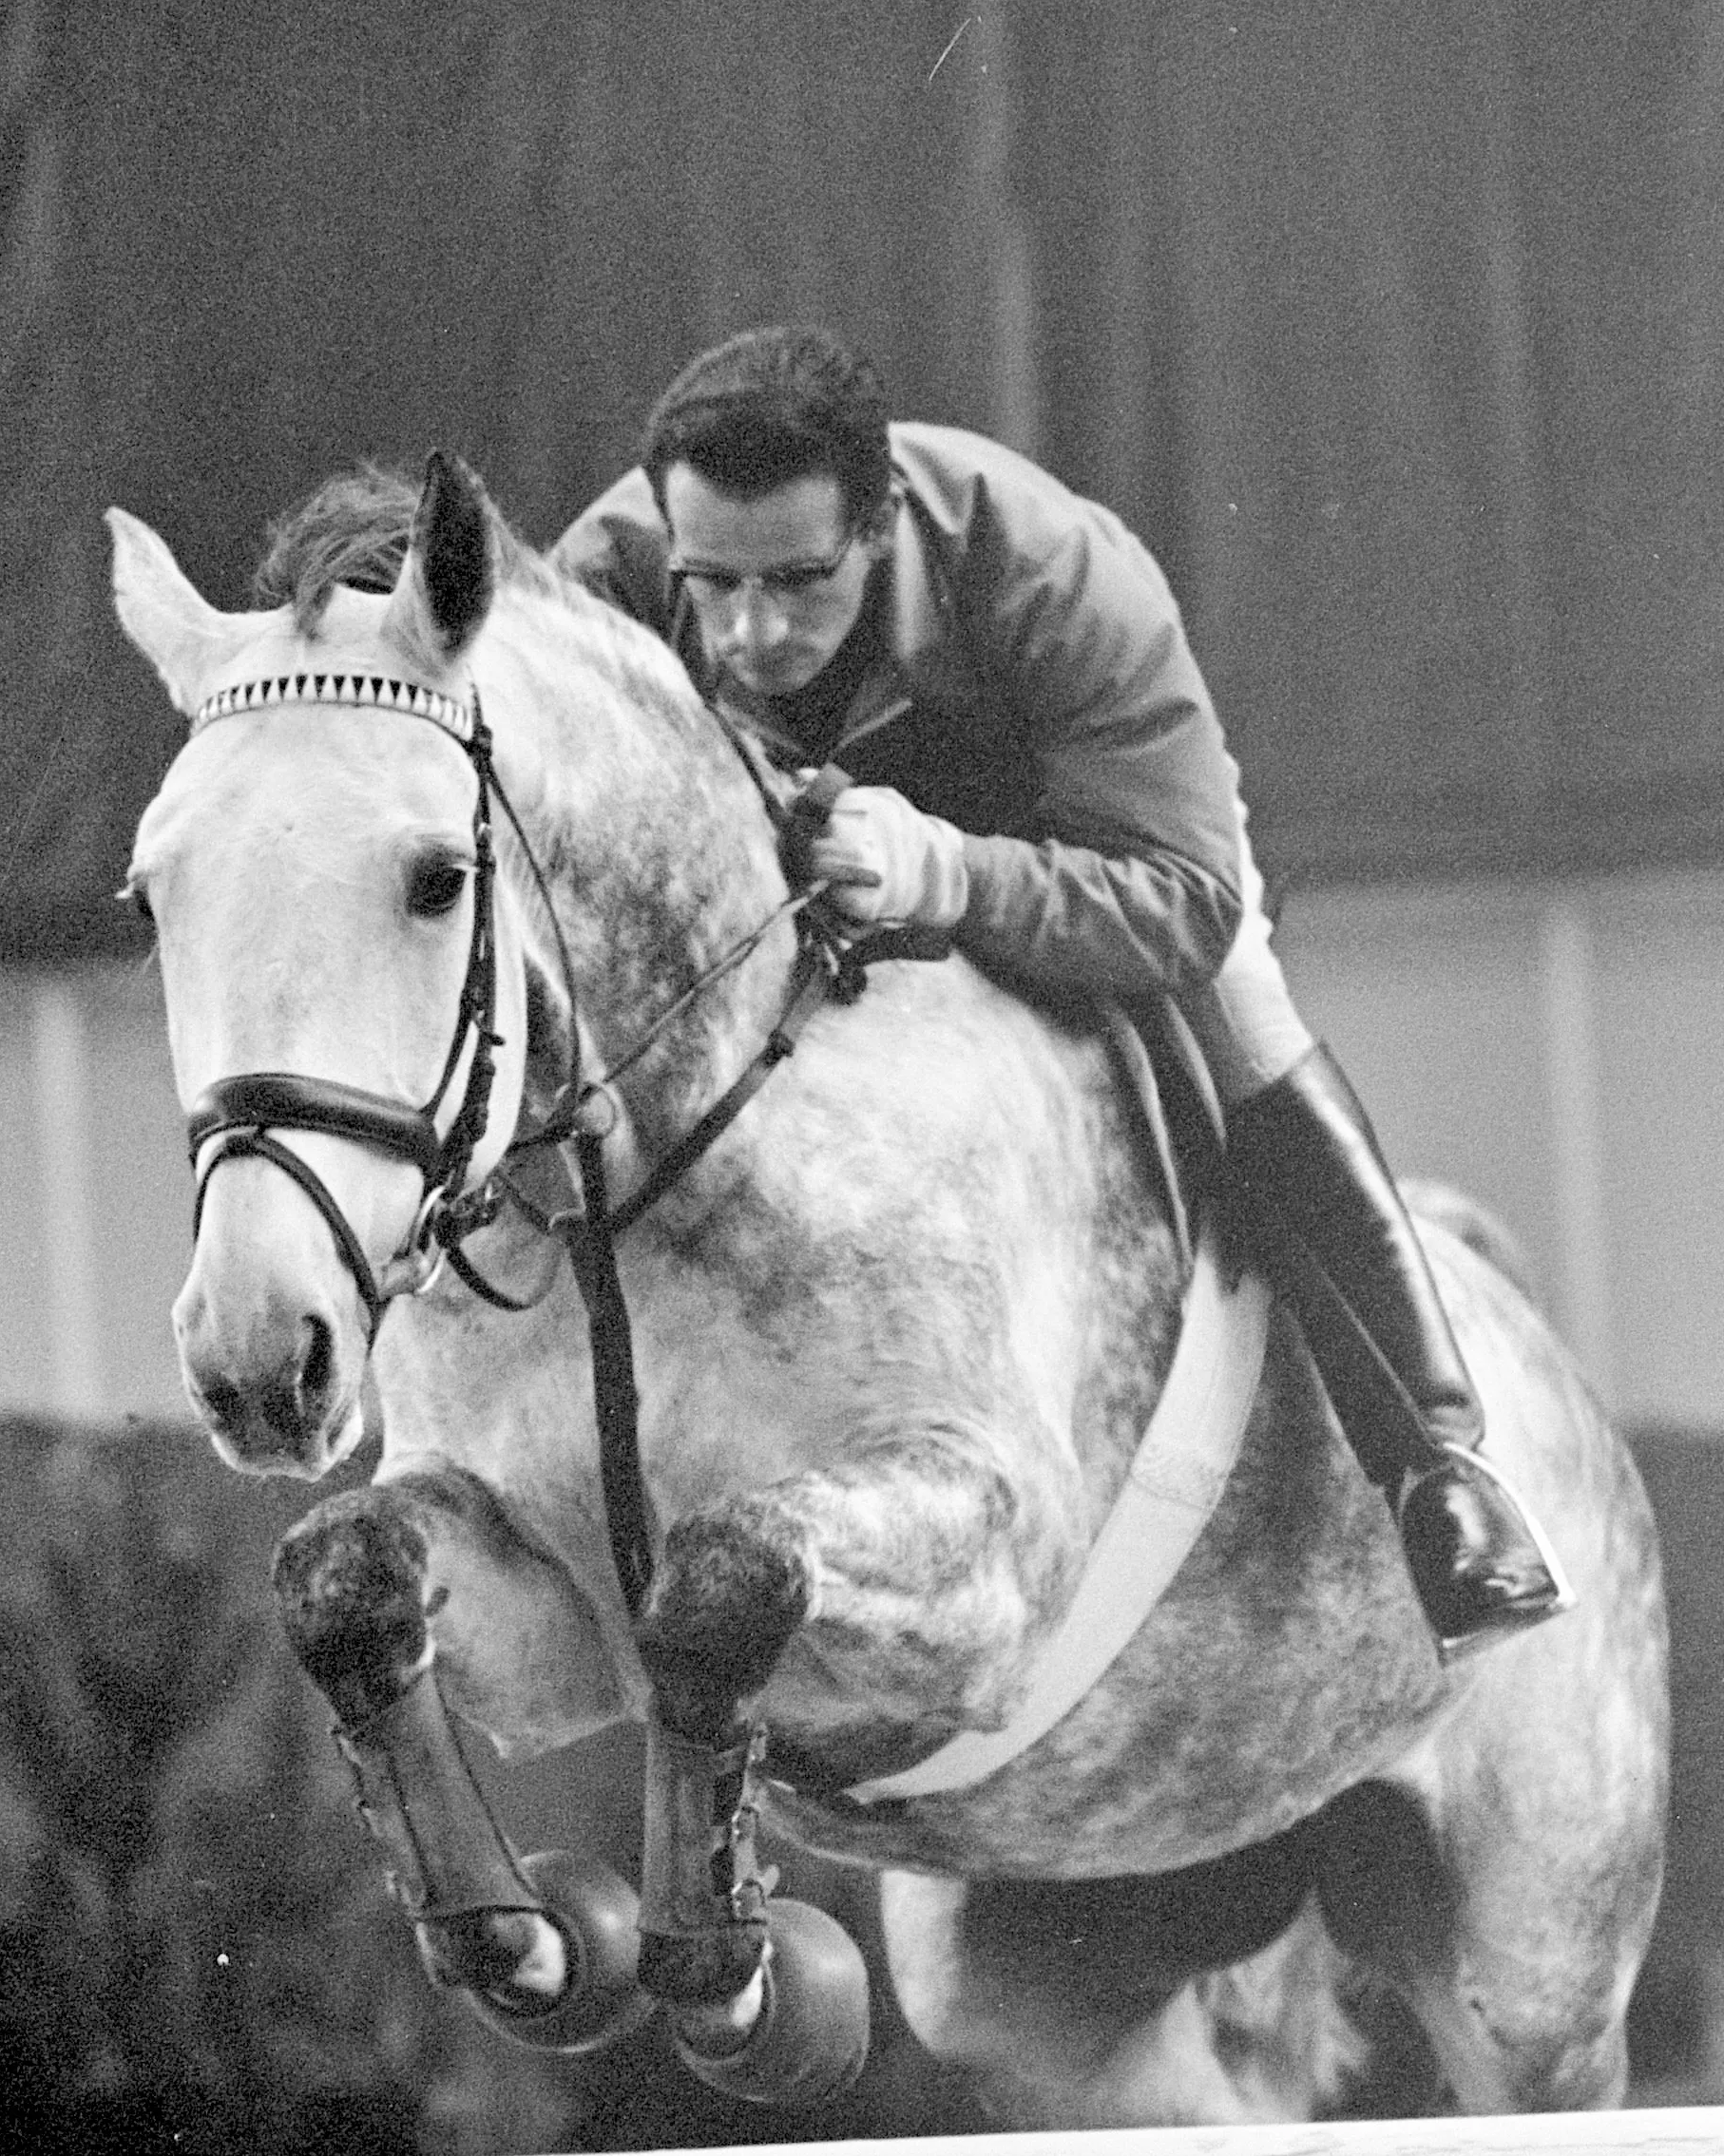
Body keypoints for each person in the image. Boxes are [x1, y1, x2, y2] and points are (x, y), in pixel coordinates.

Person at [549, 324, 1565, 1655]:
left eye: (799, 582)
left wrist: (955, 878)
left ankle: (1438, 1470)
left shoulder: (1058, 574)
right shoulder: (608, 574)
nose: (748, 632)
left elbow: (1188, 905)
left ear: (882, 521)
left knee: (1240, 1006)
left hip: (1079, 848)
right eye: (714, 584)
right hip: (789, 874)